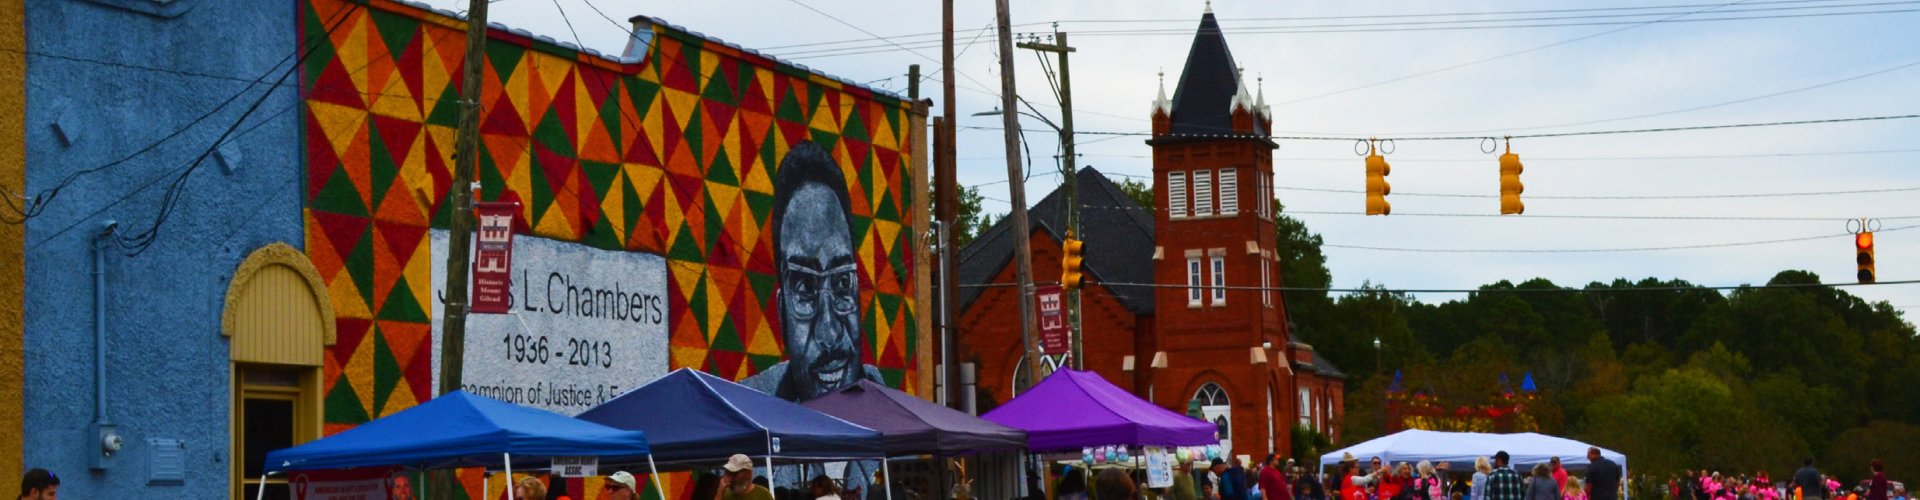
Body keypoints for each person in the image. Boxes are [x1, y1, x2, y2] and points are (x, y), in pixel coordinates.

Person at [741, 141, 884, 402]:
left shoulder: (888, 408)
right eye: (805, 288)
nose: (829, 332)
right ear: (781, 311)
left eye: (842, 283)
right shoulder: (747, 407)